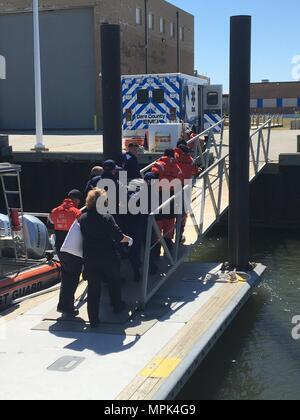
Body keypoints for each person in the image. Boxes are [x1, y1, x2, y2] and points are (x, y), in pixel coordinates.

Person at [79, 188, 133, 328]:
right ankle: (117, 305)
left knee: (93, 288)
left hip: (90, 257)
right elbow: (119, 237)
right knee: (114, 281)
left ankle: (93, 319)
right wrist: (129, 239)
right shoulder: (107, 217)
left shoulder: (82, 218)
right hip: (108, 255)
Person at [49, 190, 83, 316]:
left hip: (60, 248)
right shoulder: (76, 212)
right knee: (73, 278)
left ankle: (64, 303)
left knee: (66, 276)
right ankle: (66, 305)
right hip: (72, 249)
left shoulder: (55, 211)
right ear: (77, 200)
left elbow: (51, 222)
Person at [151, 149, 182, 251]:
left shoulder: (159, 164)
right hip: (171, 196)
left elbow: (153, 176)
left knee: (158, 219)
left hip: (159, 195)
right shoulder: (176, 167)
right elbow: (180, 179)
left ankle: (156, 248)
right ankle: (168, 246)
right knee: (169, 220)